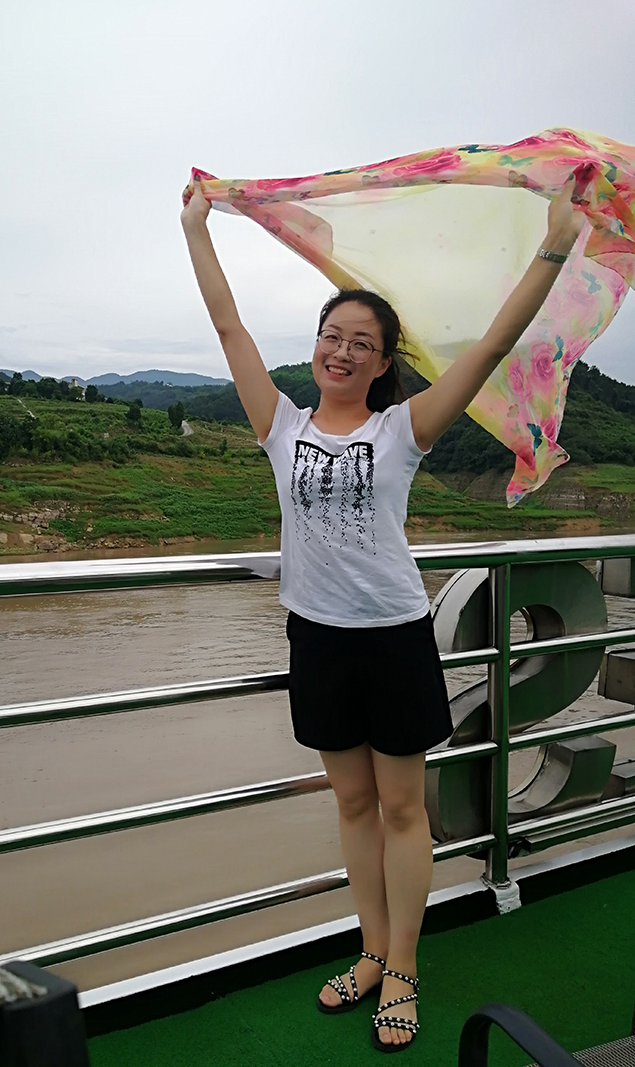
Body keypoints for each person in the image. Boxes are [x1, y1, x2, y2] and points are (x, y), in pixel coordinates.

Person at [181, 174, 584, 1052]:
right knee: (353, 804)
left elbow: (490, 345)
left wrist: (555, 245)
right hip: (317, 640)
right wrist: (198, 230)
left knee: (403, 810)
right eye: (332, 336)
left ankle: (402, 966)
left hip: (395, 639)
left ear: (382, 361)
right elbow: (228, 326)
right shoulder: (281, 427)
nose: (342, 351)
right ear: (316, 348)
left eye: (361, 342)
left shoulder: (403, 429)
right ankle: (369, 950)